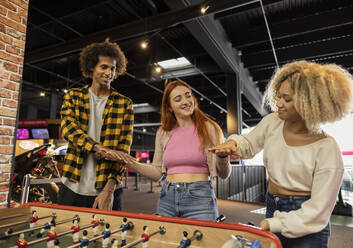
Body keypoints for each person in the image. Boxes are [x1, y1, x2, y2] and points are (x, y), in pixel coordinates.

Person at [209, 60, 353, 247]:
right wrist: (232, 143)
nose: (278, 103)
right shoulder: (272, 122)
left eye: (287, 99)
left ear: (309, 103)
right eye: (278, 96)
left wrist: (276, 222)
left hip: (306, 219)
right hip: (273, 204)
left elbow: (318, 211)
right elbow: (249, 142)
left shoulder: (327, 148)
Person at [125, 80, 230, 220]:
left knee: (200, 241)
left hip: (200, 197)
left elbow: (224, 174)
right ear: (169, 107)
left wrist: (223, 158)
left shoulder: (209, 128)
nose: (186, 101)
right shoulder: (163, 132)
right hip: (167, 196)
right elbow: (157, 172)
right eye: (178, 99)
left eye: (188, 95)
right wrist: (127, 162)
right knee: (168, 241)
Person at [58, 38, 133, 211]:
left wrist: (109, 189)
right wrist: (100, 148)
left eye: (113, 69)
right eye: (104, 67)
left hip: (107, 188)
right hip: (72, 186)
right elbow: (69, 130)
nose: (109, 73)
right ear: (92, 67)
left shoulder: (125, 104)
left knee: (108, 238)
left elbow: (123, 150)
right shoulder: (74, 96)